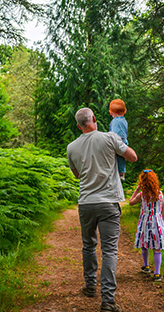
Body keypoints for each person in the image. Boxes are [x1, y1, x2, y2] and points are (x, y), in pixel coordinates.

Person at [67, 107, 138, 312]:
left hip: (86, 203)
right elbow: (132, 157)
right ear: (95, 119)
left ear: (79, 126)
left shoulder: (71, 147)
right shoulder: (110, 138)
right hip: (108, 203)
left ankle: (90, 286)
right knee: (109, 251)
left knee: (88, 246)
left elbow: (77, 175)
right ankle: (108, 301)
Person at [129, 169, 164, 282]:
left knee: (144, 243)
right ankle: (157, 273)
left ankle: (146, 266)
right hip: (157, 222)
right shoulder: (160, 194)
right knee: (157, 248)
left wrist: (137, 189)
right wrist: (162, 223)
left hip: (145, 221)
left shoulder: (142, 195)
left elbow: (130, 202)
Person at [108, 99, 128, 181]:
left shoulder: (115, 121)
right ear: (125, 111)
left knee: (118, 158)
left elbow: (115, 134)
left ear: (111, 112)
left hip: (118, 142)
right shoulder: (124, 120)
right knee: (121, 159)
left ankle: (120, 173)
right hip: (123, 141)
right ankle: (122, 173)